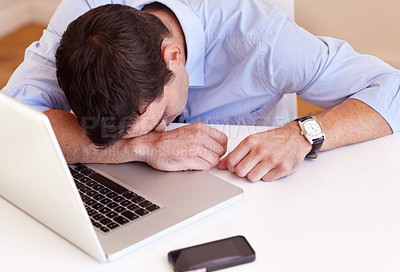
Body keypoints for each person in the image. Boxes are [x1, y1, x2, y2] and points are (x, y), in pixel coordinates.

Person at [1, 0, 398, 182]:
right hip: (134, 181)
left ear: (172, 57)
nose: (161, 131)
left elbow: (391, 87)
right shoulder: (82, 24)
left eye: (159, 121)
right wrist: (141, 148)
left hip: (254, 183)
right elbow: (13, 121)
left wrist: (301, 134)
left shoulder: (262, 39)